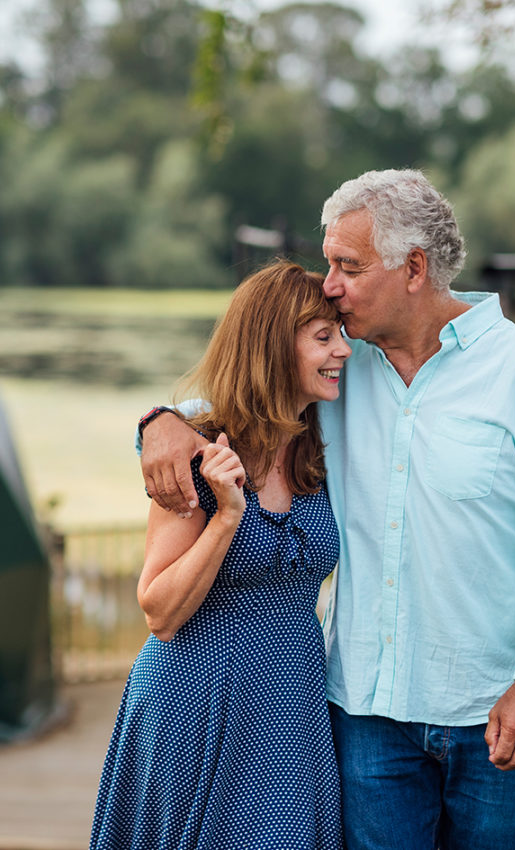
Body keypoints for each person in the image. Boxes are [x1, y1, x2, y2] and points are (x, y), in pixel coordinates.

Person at [138, 170, 515, 850]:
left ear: (413, 267)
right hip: (363, 719)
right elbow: (242, 400)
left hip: (494, 713)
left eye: (347, 267)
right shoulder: (339, 363)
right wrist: (159, 423)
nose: (329, 284)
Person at [90, 261, 350, 850]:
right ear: (271, 346)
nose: (344, 351)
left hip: (291, 710)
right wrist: (228, 517)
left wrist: (155, 417)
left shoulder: (320, 443)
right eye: (323, 336)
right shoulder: (198, 453)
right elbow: (158, 611)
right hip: (198, 702)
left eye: (341, 333)